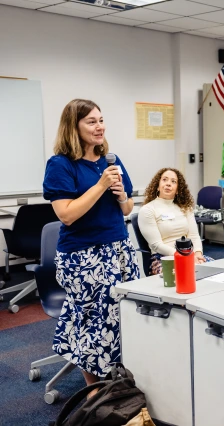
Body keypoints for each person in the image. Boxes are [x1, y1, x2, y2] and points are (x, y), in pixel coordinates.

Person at [43, 99, 140, 394]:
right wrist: (100, 186)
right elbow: (66, 214)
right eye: (92, 122)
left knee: (128, 316)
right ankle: (94, 391)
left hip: (120, 249)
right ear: (74, 127)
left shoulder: (110, 159)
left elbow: (127, 210)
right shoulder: (60, 164)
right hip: (83, 256)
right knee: (94, 323)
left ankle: (124, 376)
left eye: (101, 119)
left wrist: (122, 195)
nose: (100, 127)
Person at [137, 168, 211, 275]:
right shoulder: (148, 210)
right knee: (186, 274)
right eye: (164, 180)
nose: (168, 184)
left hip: (189, 254)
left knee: (216, 270)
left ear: (177, 190)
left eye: (173, 181)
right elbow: (156, 245)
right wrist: (184, 258)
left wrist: (198, 254)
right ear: (157, 186)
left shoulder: (186, 208)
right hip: (163, 258)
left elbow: (194, 236)